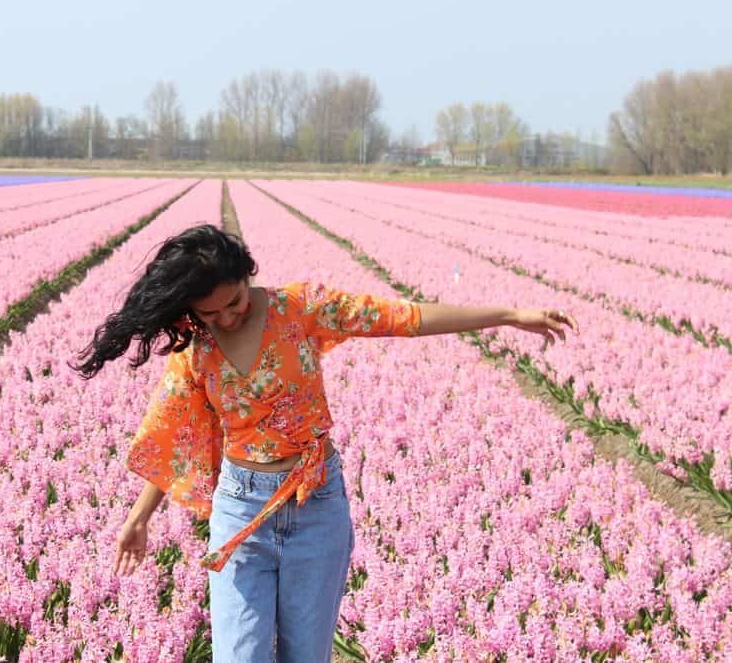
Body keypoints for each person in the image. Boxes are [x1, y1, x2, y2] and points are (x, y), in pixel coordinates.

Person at [70, 224, 577, 663]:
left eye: (234, 302)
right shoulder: (195, 351)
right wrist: (137, 520)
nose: (226, 318)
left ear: (247, 276)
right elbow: (176, 438)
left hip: (317, 506)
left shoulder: (300, 309)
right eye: (210, 313)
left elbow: (402, 319)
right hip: (241, 513)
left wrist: (508, 314)